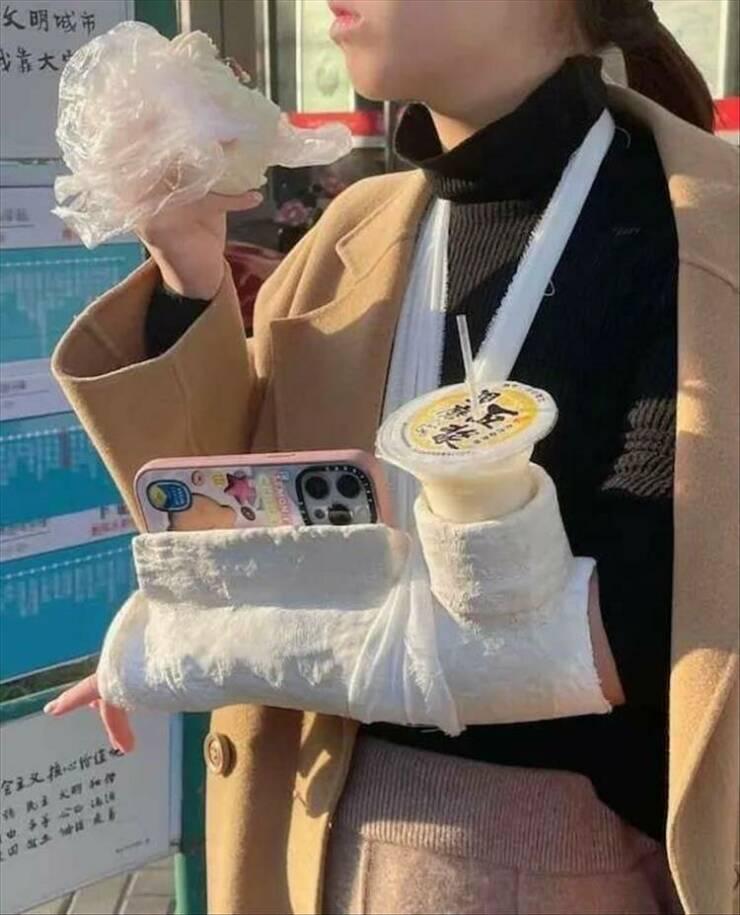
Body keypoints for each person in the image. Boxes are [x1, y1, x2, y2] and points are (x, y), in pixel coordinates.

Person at [47, 1, 738, 913]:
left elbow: (643, 629)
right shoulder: (352, 233)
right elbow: (227, 531)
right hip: (299, 830)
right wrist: (187, 268)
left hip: (540, 865)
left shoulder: (702, 237)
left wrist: (178, 648)